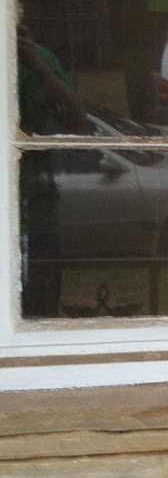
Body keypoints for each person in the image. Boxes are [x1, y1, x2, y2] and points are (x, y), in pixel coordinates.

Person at [17, 22, 89, 318]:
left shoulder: (39, 60)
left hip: (36, 212)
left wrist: (38, 68)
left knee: (39, 314)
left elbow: (79, 125)